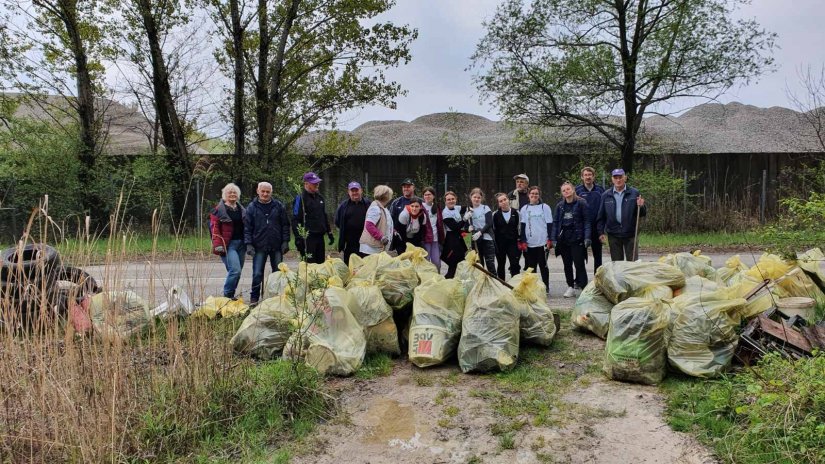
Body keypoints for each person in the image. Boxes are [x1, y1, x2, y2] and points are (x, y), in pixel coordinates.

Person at [244, 182, 290, 305]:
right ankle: (254, 299)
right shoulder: (251, 207)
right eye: (263, 191)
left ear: (271, 192)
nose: (265, 194)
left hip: (276, 245)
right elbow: (247, 228)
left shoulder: (278, 206)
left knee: (278, 273)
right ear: (258, 191)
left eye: (267, 192)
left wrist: (285, 241)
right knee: (257, 273)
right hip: (259, 246)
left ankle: (275, 297)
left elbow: (285, 225)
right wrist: (248, 244)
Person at [597, 169, 647, 261]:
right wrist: (601, 232)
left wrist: (642, 206)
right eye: (615, 178)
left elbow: (642, 213)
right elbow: (601, 216)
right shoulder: (606, 195)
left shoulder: (634, 193)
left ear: (625, 178)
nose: (618, 180)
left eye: (620, 177)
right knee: (617, 265)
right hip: (613, 234)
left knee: (632, 264)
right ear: (612, 179)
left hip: (631, 233)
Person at [551, 182, 591, 298]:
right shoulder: (560, 206)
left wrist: (587, 237)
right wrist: (553, 239)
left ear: (573, 190)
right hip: (564, 239)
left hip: (577, 237)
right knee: (567, 264)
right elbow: (556, 223)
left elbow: (587, 221)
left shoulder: (581, 203)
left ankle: (584, 288)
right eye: (564, 190)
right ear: (562, 193)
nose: (566, 192)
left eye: (568, 189)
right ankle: (570, 287)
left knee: (579, 264)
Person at [210, 183, 247, 299]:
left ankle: (231, 296)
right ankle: (227, 295)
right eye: (229, 192)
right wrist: (218, 245)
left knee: (238, 272)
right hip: (228, 245)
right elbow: (214, 229)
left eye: (234, 192)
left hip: (241, 244)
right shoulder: (219, 210)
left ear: (238, 195)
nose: (232, 194)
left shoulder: (242, 210)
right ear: (224, 195)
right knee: (235, 270)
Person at [293, 172, 334, 264]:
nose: (317, 184)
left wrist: (329, 232)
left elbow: (323, 216)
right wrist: (298, 238)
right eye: (314, 183)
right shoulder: (300, 198)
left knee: (320, 265)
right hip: (308, 238)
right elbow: (296, 219)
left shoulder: (320, 198)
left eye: (317, 182)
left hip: (320, 237)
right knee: (309, 266)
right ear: (306, 184)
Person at [519, 186, 553, 292]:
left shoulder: (545, 207)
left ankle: (546, 287)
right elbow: (523, 226)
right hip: (530, 243)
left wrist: (550, 239)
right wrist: (523, 240)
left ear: (539, 195)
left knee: (543, 266)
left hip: (542, 242)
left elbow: (550, 224)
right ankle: (533, 288)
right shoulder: (524, 209)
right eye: (532, 193)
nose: (534, 195)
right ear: (528, 195)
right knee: (531, 267)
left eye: (536, 194)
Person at [576, 166, 605, 273]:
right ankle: (580, 280)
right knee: (580, 256)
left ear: (593, 176)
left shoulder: (600, 190)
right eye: (585, 175)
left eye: (590, 175)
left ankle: (598, 280)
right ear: (582, 177)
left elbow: (604, 210)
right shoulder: (577, 191)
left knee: (598, 257)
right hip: (582, 229)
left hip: (597, 229)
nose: (588, 177)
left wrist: (602, 230)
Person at [334, 181, 370, 264]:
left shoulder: (368, 204)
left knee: (364, 266)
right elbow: (337, 221)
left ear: (361, 190)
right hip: (349, 243)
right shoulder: (343, 206)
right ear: (348, 192)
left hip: (365, 243)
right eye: (352, 191)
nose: (354, 193)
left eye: (356, 190)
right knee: (350, 266)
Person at [466, 187, 496, 273]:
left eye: (479, 197)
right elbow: (465, 226)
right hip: (475, 240)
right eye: (474, 197)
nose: (476, 199)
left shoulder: (485, 208)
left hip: (487, 239)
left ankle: (494, 282)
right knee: (479, 264)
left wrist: (480, 232)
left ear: (481, 198)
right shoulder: (468, 211)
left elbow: (489, 223)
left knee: (490, 263)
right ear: (471, 197)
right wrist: (468, 228)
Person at [492, 192, 520, 280]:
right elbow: (493, 229)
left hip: (513, 243)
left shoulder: (516, 213)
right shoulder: (495, 215)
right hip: (500, 244)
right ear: (498, 204)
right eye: (501, 201)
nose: (503, 202)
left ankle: (515, 284)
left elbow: (519, 228)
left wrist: (520, 239)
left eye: (505, 199)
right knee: (501, 264)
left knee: (514, 264)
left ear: (508, 200)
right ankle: (501, 284)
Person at [359, 185, 395, 256]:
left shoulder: (383, 207)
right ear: (385, 196)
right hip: (371, 248)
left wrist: (393, 231)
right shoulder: (375, 208)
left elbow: (385, 223)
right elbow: (369, 225)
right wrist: (381, 237)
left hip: (377, 247)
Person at [441, 191, 469, 278]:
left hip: (462, 235)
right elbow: (455, 227)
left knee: (466, 258)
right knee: (454, 263)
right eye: (448, 200)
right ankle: (448, 281)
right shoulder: (445, 213)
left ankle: (461, 281)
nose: (451, 201)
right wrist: (464, 219)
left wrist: (471, 207)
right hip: (452, 238)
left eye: (453, 199)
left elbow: (467, 207)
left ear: (456, 200)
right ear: (445, 201)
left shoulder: (456, 208)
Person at [389, 178, 417, 253]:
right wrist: (393, 232)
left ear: (413, 187)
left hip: (416, 238)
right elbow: (390, 220)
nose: (406, 188)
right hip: (400, 239)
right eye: (404, 187)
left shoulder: (420, 201)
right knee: (403, 261)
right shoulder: (396, 202)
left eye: (408, 186)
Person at [421, 186, 445, 271]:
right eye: (425, 195)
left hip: (435, 239)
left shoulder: (437, 207)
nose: (427, 196)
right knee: (426, 262)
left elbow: (440, 224)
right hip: (425, 240)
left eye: (429, 194)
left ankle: (437, 279)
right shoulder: (421, 207)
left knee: (437, 263)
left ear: (433, 196)